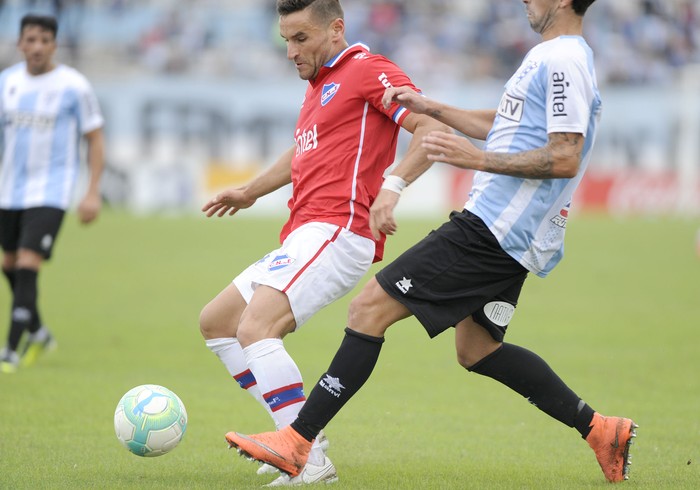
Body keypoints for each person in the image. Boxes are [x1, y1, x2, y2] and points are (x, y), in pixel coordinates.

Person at [225, 0, 639, 484]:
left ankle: (298, 442)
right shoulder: (552, 55)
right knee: (477, 350)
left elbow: (565, 156)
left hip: (492, 227)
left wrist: (476, 161)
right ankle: (600, 430)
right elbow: (502, 127)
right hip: (512, 235)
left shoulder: (563, 59)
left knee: (368, 310)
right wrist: (435, 108)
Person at [199, 0, 448, 485]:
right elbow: (304, 145)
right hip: (306, 229)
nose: (291, 51)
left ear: (336, 29)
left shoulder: (367, 70)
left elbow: (431, 127)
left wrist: (393, 186)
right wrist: (251, 191)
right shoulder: (321, 86)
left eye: (300, 39)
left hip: (339, 228)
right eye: (286, 41)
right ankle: (298, 436)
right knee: (218, 323)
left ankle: (304, 455)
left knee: (256, 328)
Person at [0, 14, 104, 374]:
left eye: (45, 40)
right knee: (9, 265)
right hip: (9, 190)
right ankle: (39, 332)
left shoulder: (73, 85)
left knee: (28, 265)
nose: (38, 47)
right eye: (31, 40)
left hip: (52, 190)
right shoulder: (6, 83)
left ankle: (10, 350)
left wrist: (91, 192)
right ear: (20, 43)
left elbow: (95, 138)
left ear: (54, 45)